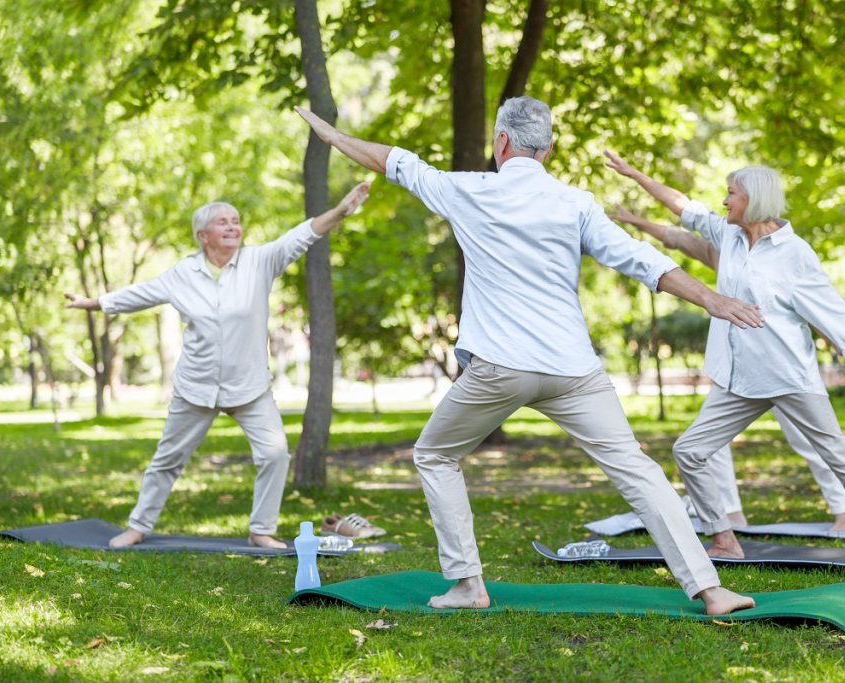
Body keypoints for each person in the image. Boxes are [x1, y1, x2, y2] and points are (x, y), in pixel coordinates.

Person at [296, 96, 763, 614]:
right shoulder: (575, 202)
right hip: (574, 372)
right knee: (637, 470)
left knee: (435, 454)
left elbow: (392, 160)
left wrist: (332, 136)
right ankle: (709, 588)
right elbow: (640, 259)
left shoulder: (466, 189)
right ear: (549, 149)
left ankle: (468, 585)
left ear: (500, 144)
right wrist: (712, 298)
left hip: (500, 367)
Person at [604, 151, 845, 569]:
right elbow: (683, 206)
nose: (724, 201)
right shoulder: (728, 236)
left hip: (789, 376)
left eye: (731, 194)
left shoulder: (795, 252)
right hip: (740, 380)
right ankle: (724, 538)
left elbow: (831, 306)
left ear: (752, 199)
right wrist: (634, 174)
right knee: (690, 451)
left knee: (840, 457)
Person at [65, 182, 370, 549]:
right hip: (196, 387)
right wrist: (92, 303)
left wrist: (340, 211)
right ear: (202, 235)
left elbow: (302, 235)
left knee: (274, 453)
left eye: (236, 221)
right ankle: (138, 526)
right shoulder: (183, 273)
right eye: (223, 222)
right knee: (167, 460)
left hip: (250, 388)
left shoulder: (260, 261)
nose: (232, 227)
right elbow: (140, 294)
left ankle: (261, 530)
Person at [608, 204, 845, 532]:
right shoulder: (724, 249)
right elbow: (675, 237)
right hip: (737, 366)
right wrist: (634, 219)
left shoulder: (782, 254)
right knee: (710, 444)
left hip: (781, 367)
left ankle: (844, 511)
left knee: (807, 439)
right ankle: (730, 512)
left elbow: (814, 305)